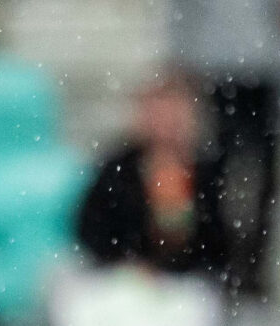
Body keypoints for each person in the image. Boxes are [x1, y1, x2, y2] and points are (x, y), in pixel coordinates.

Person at [166, 0, 280, 299]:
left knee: (261, 175)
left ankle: (250, 264)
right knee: (216, 172)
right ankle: (223, 259)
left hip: (265, 66)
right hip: (224, 65)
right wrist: (181, 58)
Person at [75, 75, 232, 280]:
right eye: (157, 114)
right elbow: (93, 230)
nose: (164, 125)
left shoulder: (206, 172)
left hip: (186, 282)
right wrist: (129, 263)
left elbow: (218, 245)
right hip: (124, 279)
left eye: (172, 115)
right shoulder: (117, 170)